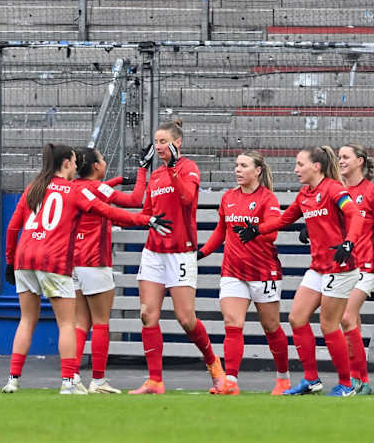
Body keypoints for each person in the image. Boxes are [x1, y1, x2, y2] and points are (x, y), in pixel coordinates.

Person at [2, 143, 171, 394]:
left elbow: (14, 226)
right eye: (73, 161)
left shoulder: (33, 188)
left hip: (25, 258)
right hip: (62, 260)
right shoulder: (73, 191)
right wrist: (148, 220)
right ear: (67, 164)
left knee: (27, 320)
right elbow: (109, 211)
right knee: (69, 323)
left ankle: (13, 380)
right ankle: (71, 382)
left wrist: (9, 259)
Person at [234, 146, 364, 397]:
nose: (295, 169)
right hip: (318, 267)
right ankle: (311, 380)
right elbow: (283, 220)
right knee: (297, 318)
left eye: (300, 164)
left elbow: (355, 215)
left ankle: (347, 385)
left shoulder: (334, 189)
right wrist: (257, 230)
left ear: (316, 166)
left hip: (341, 267)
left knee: (328, 325)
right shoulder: (305, 194)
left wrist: (349, 242)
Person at [129, 119, 225, 395]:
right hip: (154, 252)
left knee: (186, 318)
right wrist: (147, 219)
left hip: (181, 252)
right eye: (156, 142)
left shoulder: (188, 168)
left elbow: (185, 198)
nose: (157, 147)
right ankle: (155, 380)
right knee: (148, 314)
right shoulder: (156, 175)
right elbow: (146, 210)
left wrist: (172, 169)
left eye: (162, 141)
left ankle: (214, 366)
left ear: (177, 142)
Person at [197, 150, 291, 395]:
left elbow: (273, 233)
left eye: (244, 165)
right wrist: (202, 253)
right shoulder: (228, 197)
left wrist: (256, 230)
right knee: (232, 324)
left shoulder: (267, 198)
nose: (238, 170)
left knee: (271, 326)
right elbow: (221, 231)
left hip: (263, 271)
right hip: (233, 270)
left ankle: (283, 378)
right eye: (236, 165)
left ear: (257, 170)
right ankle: (231, 382)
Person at [69, 145, 151, 394]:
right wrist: (142, 170)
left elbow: (98, 193)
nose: (104, 162)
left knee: (80, 323)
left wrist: (116, 180)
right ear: (96, 166)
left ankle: (71, 378)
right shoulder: (97, 188)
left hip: (72, 263)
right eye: (103, 159)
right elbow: (136, 200)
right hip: (94, 261)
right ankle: (98, 380)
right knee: (102, 322)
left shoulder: (74, 188)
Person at [336, 144, 374, 395]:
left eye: (345, 157)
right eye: (339, 157)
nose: (340, 161)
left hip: (366, 266)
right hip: (340, 267)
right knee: (350, 324)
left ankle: (359, 380)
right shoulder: (336, 191)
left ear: (360, 161)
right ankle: (357, 379)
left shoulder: (372, 193)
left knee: (347, 318)